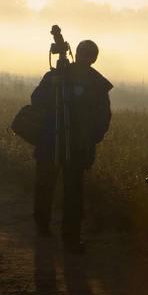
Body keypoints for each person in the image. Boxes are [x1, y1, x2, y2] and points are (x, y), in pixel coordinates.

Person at [31, 40, 112, 253]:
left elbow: (104, 117)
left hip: (78, 147)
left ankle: (71, 236)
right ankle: (42, 226)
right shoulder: (57, 75)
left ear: (95, 58)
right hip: (51, 141)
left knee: (74, 194)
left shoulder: (98, 84)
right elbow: (36, 100)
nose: (86, 58)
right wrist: (54, 87)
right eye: (83, 53)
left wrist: (91, 138)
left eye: (90, 55)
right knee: (44, 187)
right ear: (75, 53)